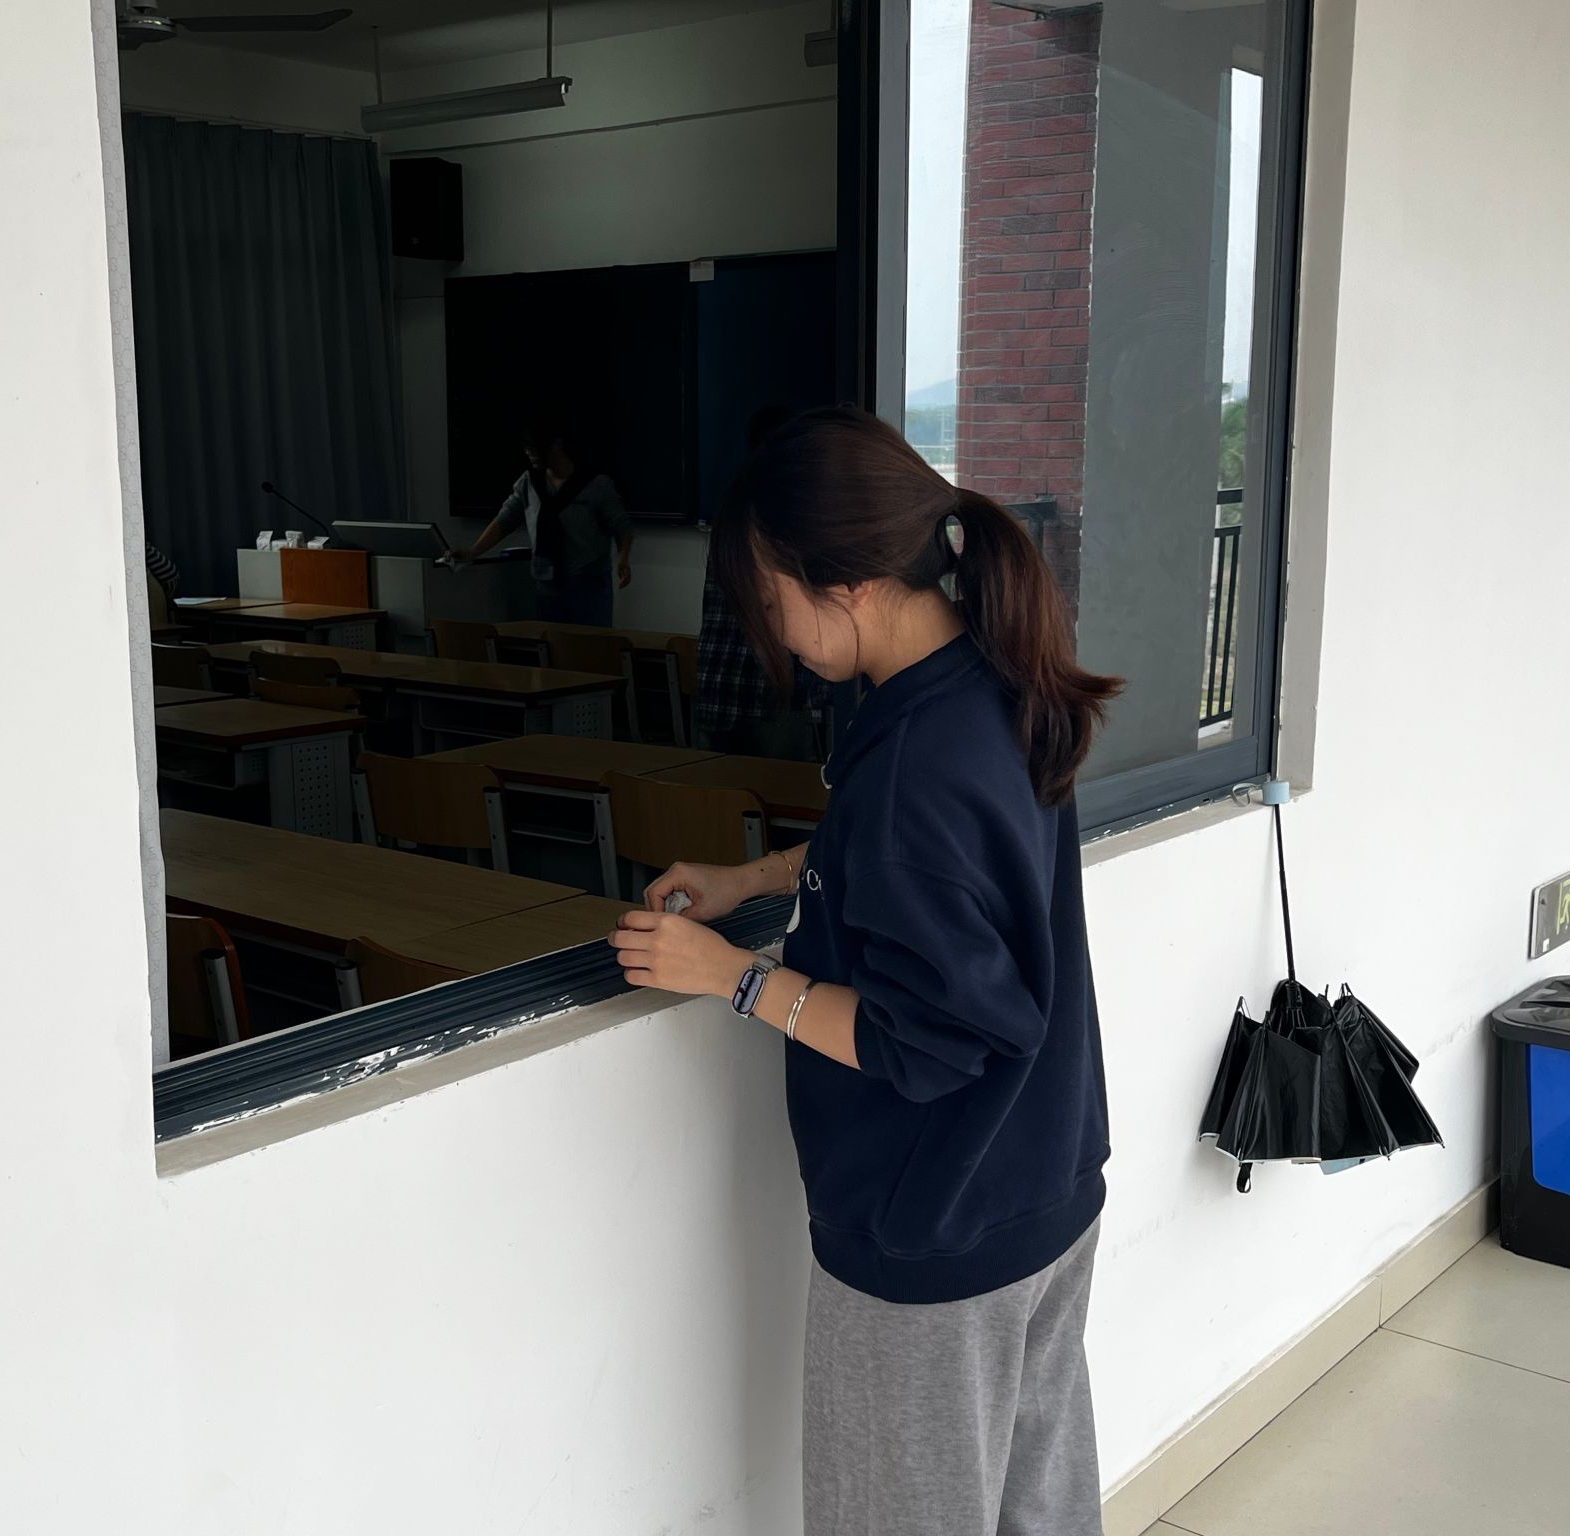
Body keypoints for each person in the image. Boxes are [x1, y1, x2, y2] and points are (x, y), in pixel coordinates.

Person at [608, 407, 1124, 1536]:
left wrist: (728, 978)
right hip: (1043, 1182)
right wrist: (758, 877)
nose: (773, 634)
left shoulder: (911, 762)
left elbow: (921, 1039)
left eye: (771, 601)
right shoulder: (987, 677)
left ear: (842, 584)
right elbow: (923, 875)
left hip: (933, 1229)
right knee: (1037, 1512)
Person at [695, 406, 828, 758]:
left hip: (719, 685)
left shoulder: (733, 506)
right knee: (783, 789)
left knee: (716, 790)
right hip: (769, 693)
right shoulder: (790, 513)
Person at [449, 416, 633, 627]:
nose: (530, 453)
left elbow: (622, 527)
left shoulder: (595, 484)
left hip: (588, 585)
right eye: (527, 448)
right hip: (546, 584)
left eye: (534, 447)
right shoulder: (530, 482)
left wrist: (623, 558)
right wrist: (473, 551)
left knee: (589, 643)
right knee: (549, 641)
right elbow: (504, 521)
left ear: (556, 444)